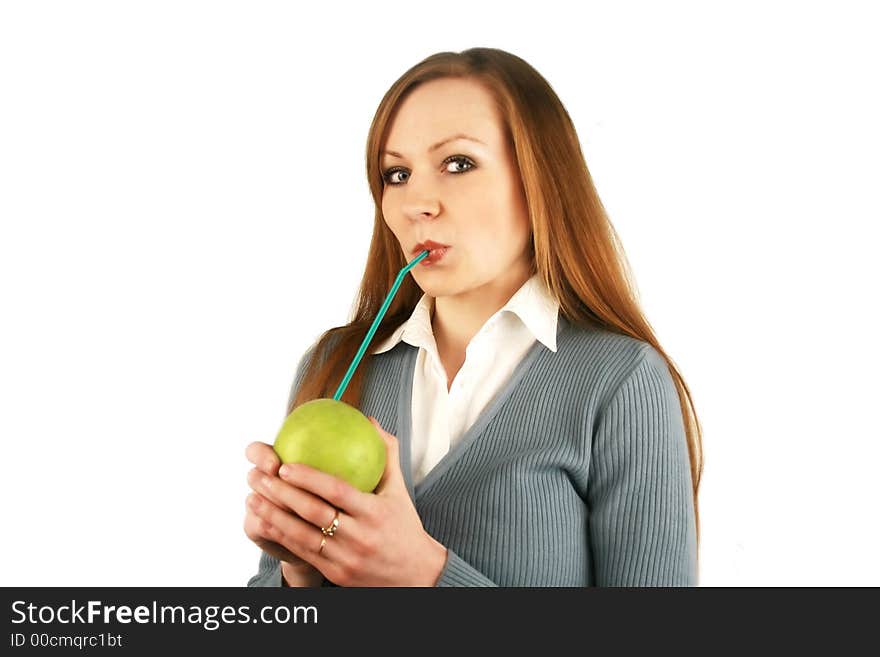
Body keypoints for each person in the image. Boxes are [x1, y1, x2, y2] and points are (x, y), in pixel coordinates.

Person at [244, 47, 703, 587]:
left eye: (458, 164)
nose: (419, 202)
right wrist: (301, 567)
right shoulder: (333, 365)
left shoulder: (620, 381)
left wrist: (427, 577)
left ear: (539, 180)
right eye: (397, 173)